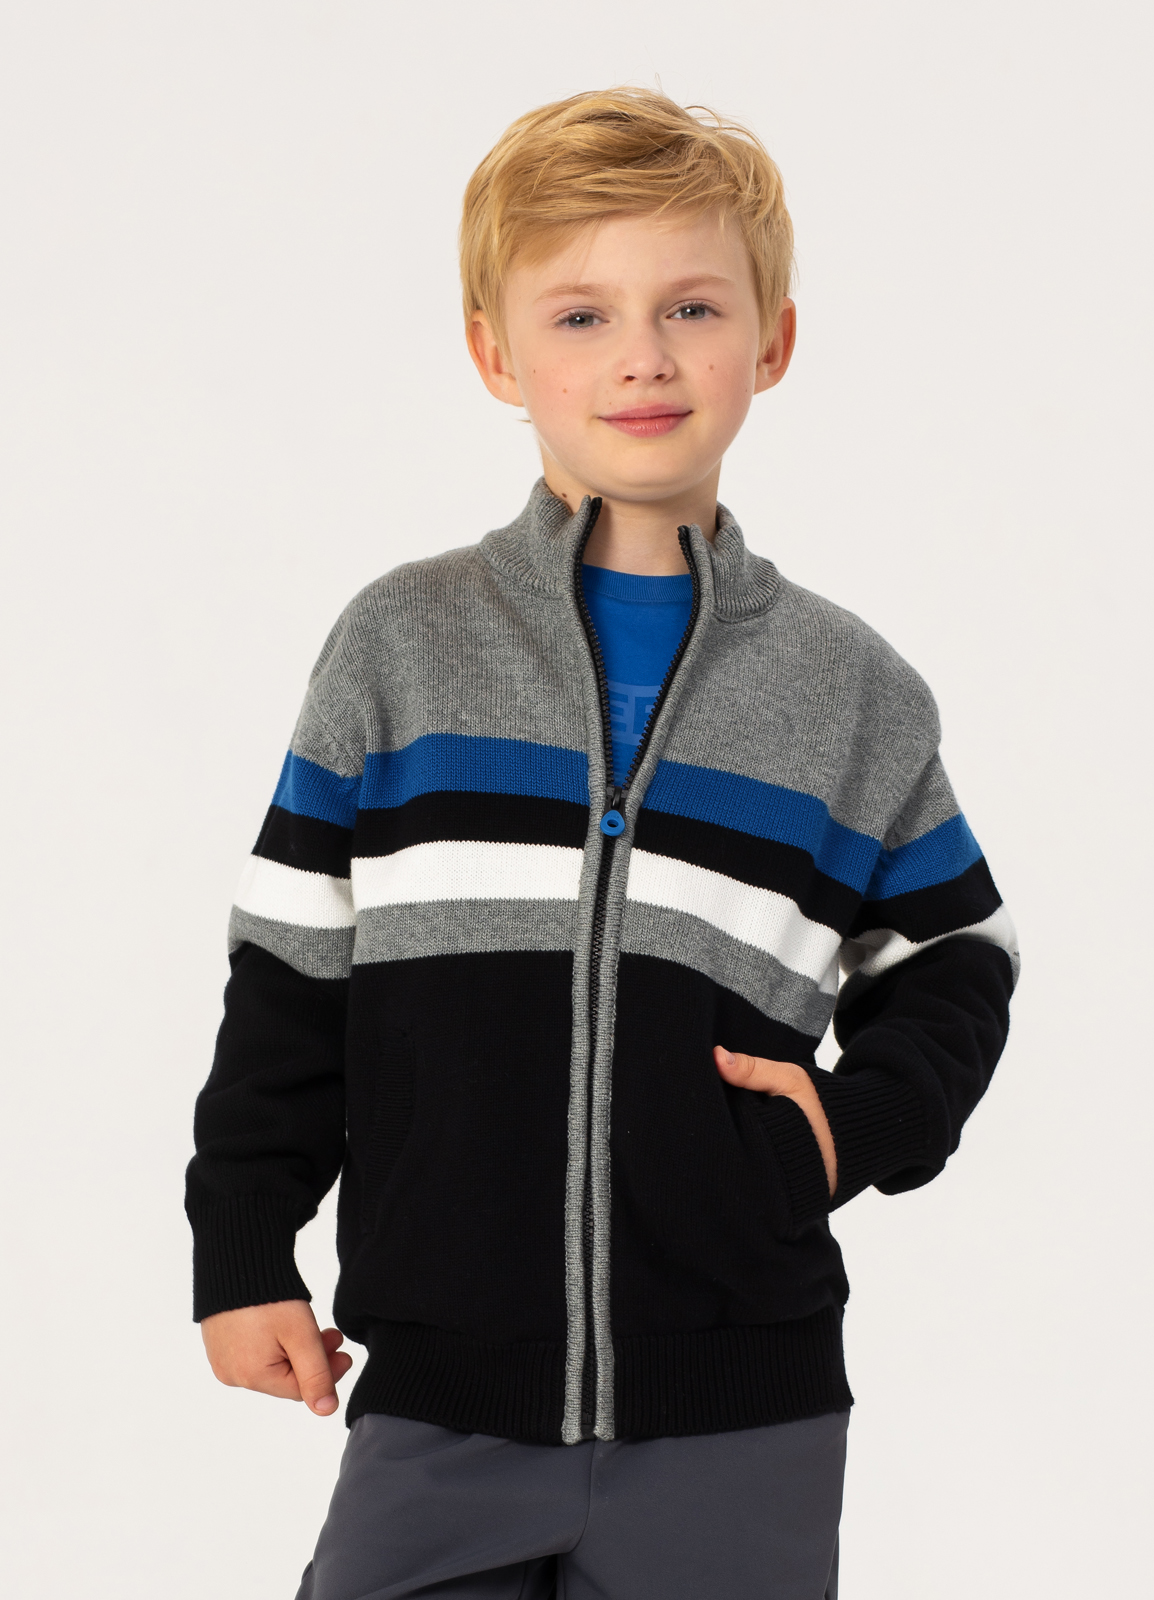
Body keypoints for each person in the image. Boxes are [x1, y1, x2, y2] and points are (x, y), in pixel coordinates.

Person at [187, 87, 1019, 1600]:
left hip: (740, 1412)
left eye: (693, 307)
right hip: (442, 1395)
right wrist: (244, 1243)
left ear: (772, 340)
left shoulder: (851, 694)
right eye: (581, 315)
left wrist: (852, 1127)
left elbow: (956, 955)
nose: (643, 355)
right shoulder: (402, 645)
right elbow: (295, 966)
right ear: (495, 355)